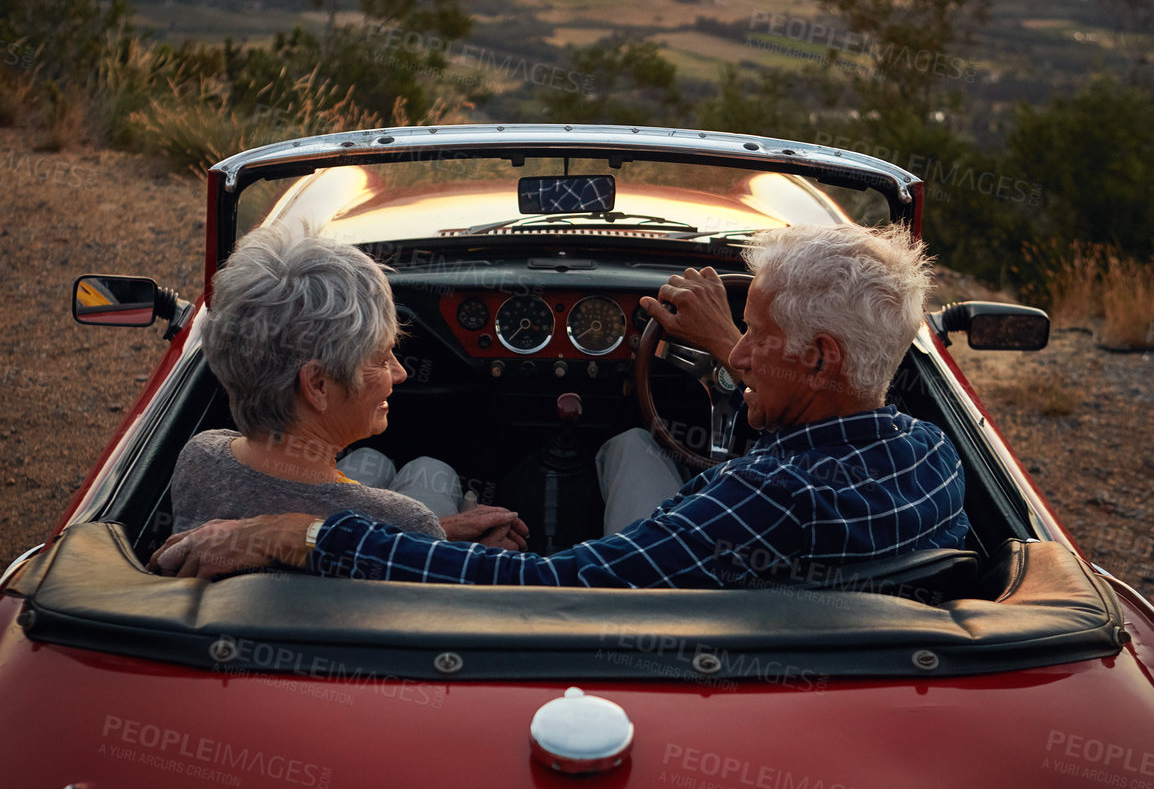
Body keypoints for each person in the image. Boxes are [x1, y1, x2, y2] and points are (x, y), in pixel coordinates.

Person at [153, 222, 967, 587]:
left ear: (819, 358)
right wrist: (732, 358)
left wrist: (310, 535)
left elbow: (557, 582)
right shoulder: (934, 456)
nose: (738, 353)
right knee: (640, 451)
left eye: (752, 335)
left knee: (430, 468)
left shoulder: (759, 498)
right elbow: (814, 399)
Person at [170, 224, 525, 549]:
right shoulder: (406, 523)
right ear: (318, 385)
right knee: (432, 470)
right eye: (383, 359)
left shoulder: (200, 457)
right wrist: (444, 541)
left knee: (371, 460)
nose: (400, 374)